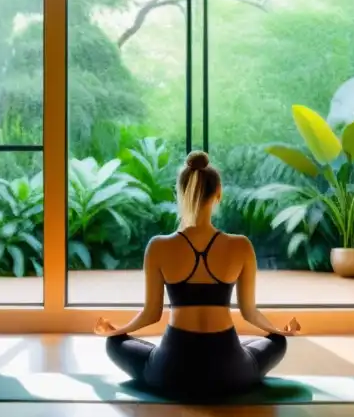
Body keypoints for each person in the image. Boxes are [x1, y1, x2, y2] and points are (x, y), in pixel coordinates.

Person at [95, 151, 300, 401]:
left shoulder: (158, 246)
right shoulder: (241, 246)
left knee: (114, 344)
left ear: (181, 193)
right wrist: (279, 330)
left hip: (171, 371)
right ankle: (252, 351)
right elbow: (249, 313)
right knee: (277, 342)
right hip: (230, 372)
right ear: (218, 192)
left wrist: (117, 331)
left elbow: (151, 314)